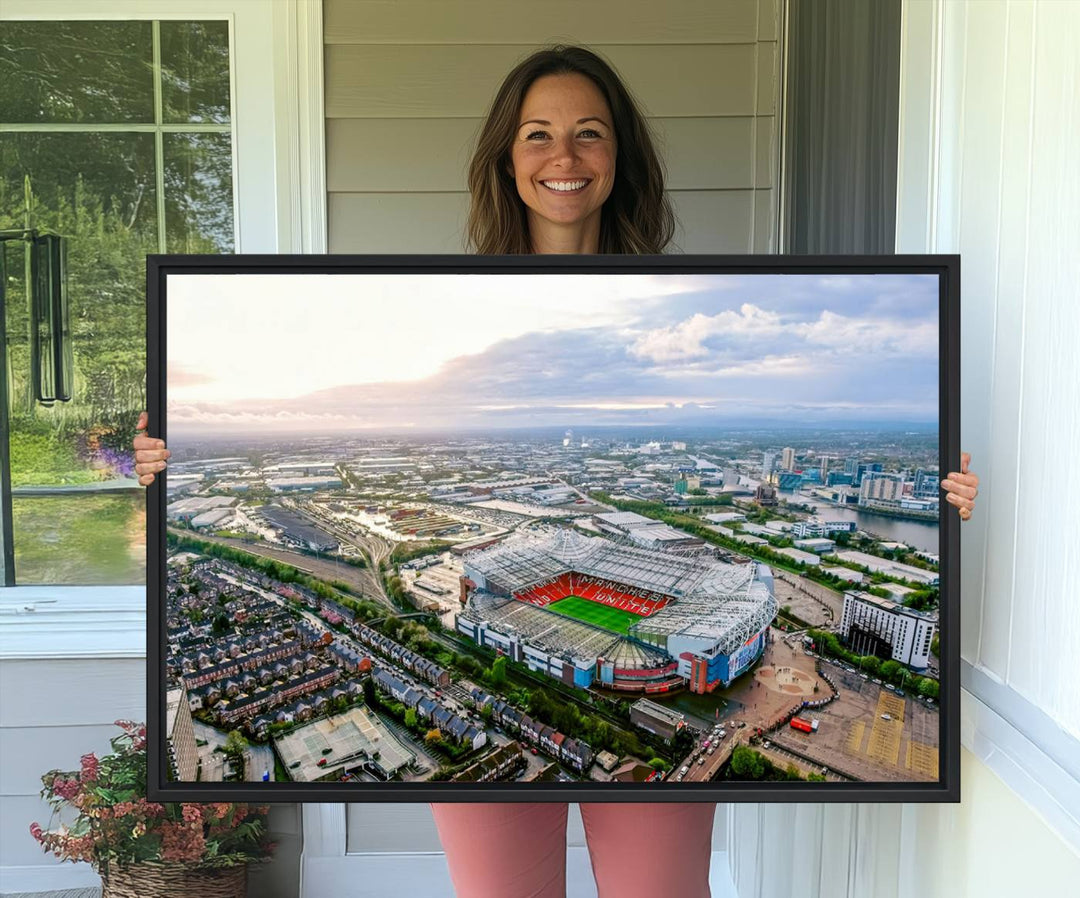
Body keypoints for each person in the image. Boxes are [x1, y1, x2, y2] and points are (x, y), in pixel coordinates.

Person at [134, 44, 979, 898]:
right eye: (538, 134)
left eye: (589, 134)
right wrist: (156, 466)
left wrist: (939, 505)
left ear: (620, 159)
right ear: (507, 158)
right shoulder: (446, 308)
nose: (564, 157)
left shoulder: (682, 296)